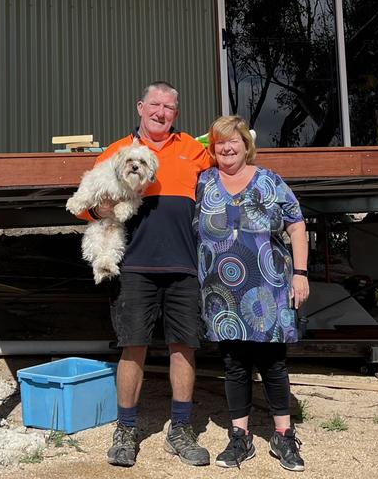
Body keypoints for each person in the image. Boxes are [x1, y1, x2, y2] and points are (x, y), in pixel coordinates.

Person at [74, 81, 213, 468]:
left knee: (184, 347)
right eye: (155, 104)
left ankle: (181, 430)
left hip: (184, 265)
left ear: (176, 114)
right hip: (133, 266)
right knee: (132, 347)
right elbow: (87, 204)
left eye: (169, 107)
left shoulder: (193, 151)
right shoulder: (118, 152)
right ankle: (125, 430)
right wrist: (101, 211)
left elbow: (226, 172)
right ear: (140, 107)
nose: (161, 112)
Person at [195, 115, 309, 472]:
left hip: (269, 288)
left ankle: (283, 434)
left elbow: (296, 223)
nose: (227, 148)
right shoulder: (201, 183)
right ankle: (240, 436)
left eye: (234, 142)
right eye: (219, 143)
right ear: (211, 149)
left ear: (246, 145)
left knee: (273, 363)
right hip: (221, 295)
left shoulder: (269, 181)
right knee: (234, 365)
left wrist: (301, 274)